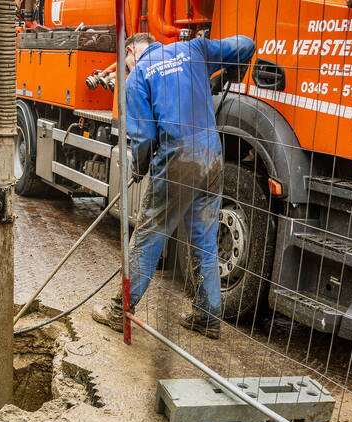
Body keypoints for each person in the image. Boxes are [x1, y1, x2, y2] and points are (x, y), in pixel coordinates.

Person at [92, 32, 255, 339]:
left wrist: (140, 169)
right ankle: (207, 317)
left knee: (148, 235)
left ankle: (119, 311)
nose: (127, 69)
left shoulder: (138, 75)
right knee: (204, 240)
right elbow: (246, 45)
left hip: (177, 161)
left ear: (131, 51)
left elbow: (144, 138)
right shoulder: (193, 49)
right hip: (211, 157)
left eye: (125, 64)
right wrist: (232, 71)